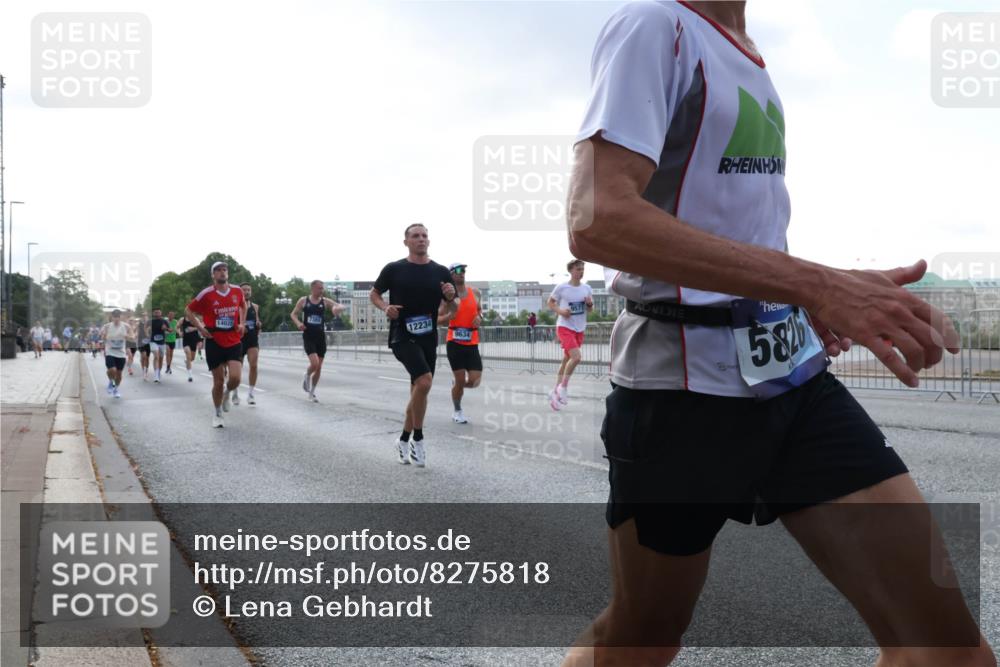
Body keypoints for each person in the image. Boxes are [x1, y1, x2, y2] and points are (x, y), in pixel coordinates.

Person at [561, 2, 993, 666]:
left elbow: (735, 227)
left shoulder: (748, 51)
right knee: (641, 639)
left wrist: (800, 301)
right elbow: (597, 218)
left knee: (946, 650)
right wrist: (817, 285)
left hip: (792, 379)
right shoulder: (655, 24)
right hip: (680, 392)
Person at [370, 223, 458, 467]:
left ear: (429, 241)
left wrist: (451, 298)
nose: (421, 239)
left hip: (428, 336)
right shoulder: (394, 269)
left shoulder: (440, 271)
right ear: (406, 242)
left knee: (420, 391)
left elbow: (453, 308)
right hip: (402, 335)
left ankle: (403, 438)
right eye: (416, 236)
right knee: (424, 381)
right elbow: (374, 294)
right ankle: (418, 438)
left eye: (425, 236)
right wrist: (385, 307)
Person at [185, 261, 246, 428]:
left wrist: (242, 323)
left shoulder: (237, 291)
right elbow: (188, 310)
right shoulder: (206, 294)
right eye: (218, 270)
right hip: (214, 340)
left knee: (235, 378)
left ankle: (227, 394)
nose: (222, 272)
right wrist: (200, 327)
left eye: (224, 270)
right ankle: (217, 412)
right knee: (218, 381)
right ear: (213, 275)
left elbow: (243, 305)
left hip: (233, 339)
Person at [438, 262, 482, 424]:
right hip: (454, 342)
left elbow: (479, 311)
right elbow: (436, 319)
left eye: (463, 270)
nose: (461, 272)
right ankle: (457, 411)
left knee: (475, 381)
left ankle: (457, 385)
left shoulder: (475, 292)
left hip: (472, 342)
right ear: (451, 275)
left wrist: (480, 318)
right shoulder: (446, 299)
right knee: (460, 379)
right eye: (457, 270)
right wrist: (448, 317)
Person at [547, 259, 593, 411]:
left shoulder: (587, 288)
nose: (581, 272)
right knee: (576, 357)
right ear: (571, 270)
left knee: (566, 359)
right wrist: (561, 311)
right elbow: (550, 302)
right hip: (565, 327)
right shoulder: (562, 287)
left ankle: (555, 392)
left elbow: (590, 310)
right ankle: (563, 388)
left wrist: (590, 304)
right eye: (578, 269)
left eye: (582, 269)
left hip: (579, 328)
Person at [290, 280, 345, 403]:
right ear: (313, 289)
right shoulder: (304, 300)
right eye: (320, 288)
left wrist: (337, 309)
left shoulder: (325, 301)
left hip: (320, 337)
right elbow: (293, 314)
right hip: (309, 336)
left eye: (322, 288)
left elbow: (340, 305)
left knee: (319, 367)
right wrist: (299, 323)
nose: (322, 290)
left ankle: (312, 392)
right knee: (314, 364)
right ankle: (307, 375)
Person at [237, 282, 263, 405]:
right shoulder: (235, 306)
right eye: (244, 290)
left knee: (254, 365)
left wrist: (258, 324)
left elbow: (256, 320)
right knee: (238, 368)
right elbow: (232, 322)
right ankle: (235, 392)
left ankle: (251, 394)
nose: (247, 292)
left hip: (252, 338)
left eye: (248, 290)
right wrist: (240, 327)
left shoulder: (255, 306)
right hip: (239, 339)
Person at [100, 310, 133, 399]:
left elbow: (132, 337)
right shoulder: (106, 326)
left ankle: (116, 389)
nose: (116, 319)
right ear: (112, 317)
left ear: (120, 317)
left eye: (118, 317)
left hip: (121, 353)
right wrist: (104, 335)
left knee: (119, 374)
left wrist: (127, 336)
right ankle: (111, 382)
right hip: (110, 351)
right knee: (112, 370)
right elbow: (102, 337)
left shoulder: (126, 326)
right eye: (114, 317)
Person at [148, 308, 172, 383]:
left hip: (161, 342)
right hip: (153, 341)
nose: (157, 314)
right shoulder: (151, 321)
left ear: (161, 313)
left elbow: (171, 330)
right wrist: (148, 331)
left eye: (158, 312)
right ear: (153, 314)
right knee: (156, 356)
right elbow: (146, 329)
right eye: (155, 312)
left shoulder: (164, 321)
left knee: (161, 358)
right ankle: (156, 375)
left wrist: (166, 329)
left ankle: (158, 372)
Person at [178, 314, 202, 382]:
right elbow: (177, 327)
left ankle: (187, 361)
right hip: (186, 340)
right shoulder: (182, 319)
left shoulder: (196, 319)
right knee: (188, 355)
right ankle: (190, 375)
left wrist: (193, 328)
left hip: (194, 340)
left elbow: (201, 326)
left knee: (192, 358)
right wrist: (179, 332)